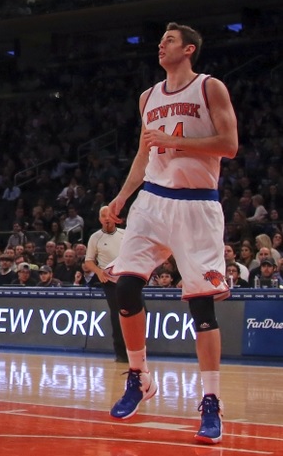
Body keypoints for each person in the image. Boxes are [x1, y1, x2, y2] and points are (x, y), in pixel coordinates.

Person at [105, 22, 238, 445]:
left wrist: (179, 144)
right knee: (125, 286)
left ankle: (211, 401)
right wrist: (119, 200)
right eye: (160, 40)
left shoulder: (209, 88)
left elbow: (230, 145)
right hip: (152, 201)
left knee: (201, 307)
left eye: (169, 41)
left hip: (198, 204)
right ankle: (139, 376)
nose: (160, 45)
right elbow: (143, 157)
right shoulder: (148, 96)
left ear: (189, 49)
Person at [83, 206, 127, 363]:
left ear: (115, 218)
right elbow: (88, 261)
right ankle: (121, 354)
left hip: (127, 278)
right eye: (103, 216)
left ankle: (137, 350)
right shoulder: (95, 237)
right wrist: (99, 272)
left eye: (109, 215)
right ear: (99, 219)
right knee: (117, 314)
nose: (107, 218)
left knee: (141, 311)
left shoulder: (125, 234)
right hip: (109, 280)